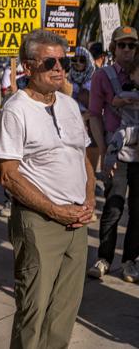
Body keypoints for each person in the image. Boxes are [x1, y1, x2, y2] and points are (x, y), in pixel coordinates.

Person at [0, 29, 95, 348]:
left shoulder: (69, 104)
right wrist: (54, 210)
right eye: (49, 61)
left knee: (64, 310)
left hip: (77, 221)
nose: (58, 68)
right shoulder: (15, 109)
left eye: (63, 61)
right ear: (27, 66)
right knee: (33, 309)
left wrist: (90, 200)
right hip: (40, 222)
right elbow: (9, 176)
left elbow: (84, 158)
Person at [88, 25, 139, 281]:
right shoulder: (103, 76)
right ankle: (104, 258)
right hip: (117, 152)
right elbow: (94, 116)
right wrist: (104, 148)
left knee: (138, 210)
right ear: (113, 48)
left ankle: (130, 261)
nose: (127, 50)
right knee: (113, 206)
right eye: (122, 45)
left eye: (132, 45)